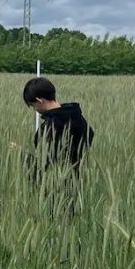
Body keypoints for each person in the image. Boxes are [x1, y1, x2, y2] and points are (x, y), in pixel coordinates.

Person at [22, 77, 94, 216]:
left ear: (40, 100)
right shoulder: (78, 118)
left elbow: (45, 165)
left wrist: (22, 156)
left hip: (53, 194)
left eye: (33, 105)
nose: (35, 110)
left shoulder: (50, 127)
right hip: (77, 187)